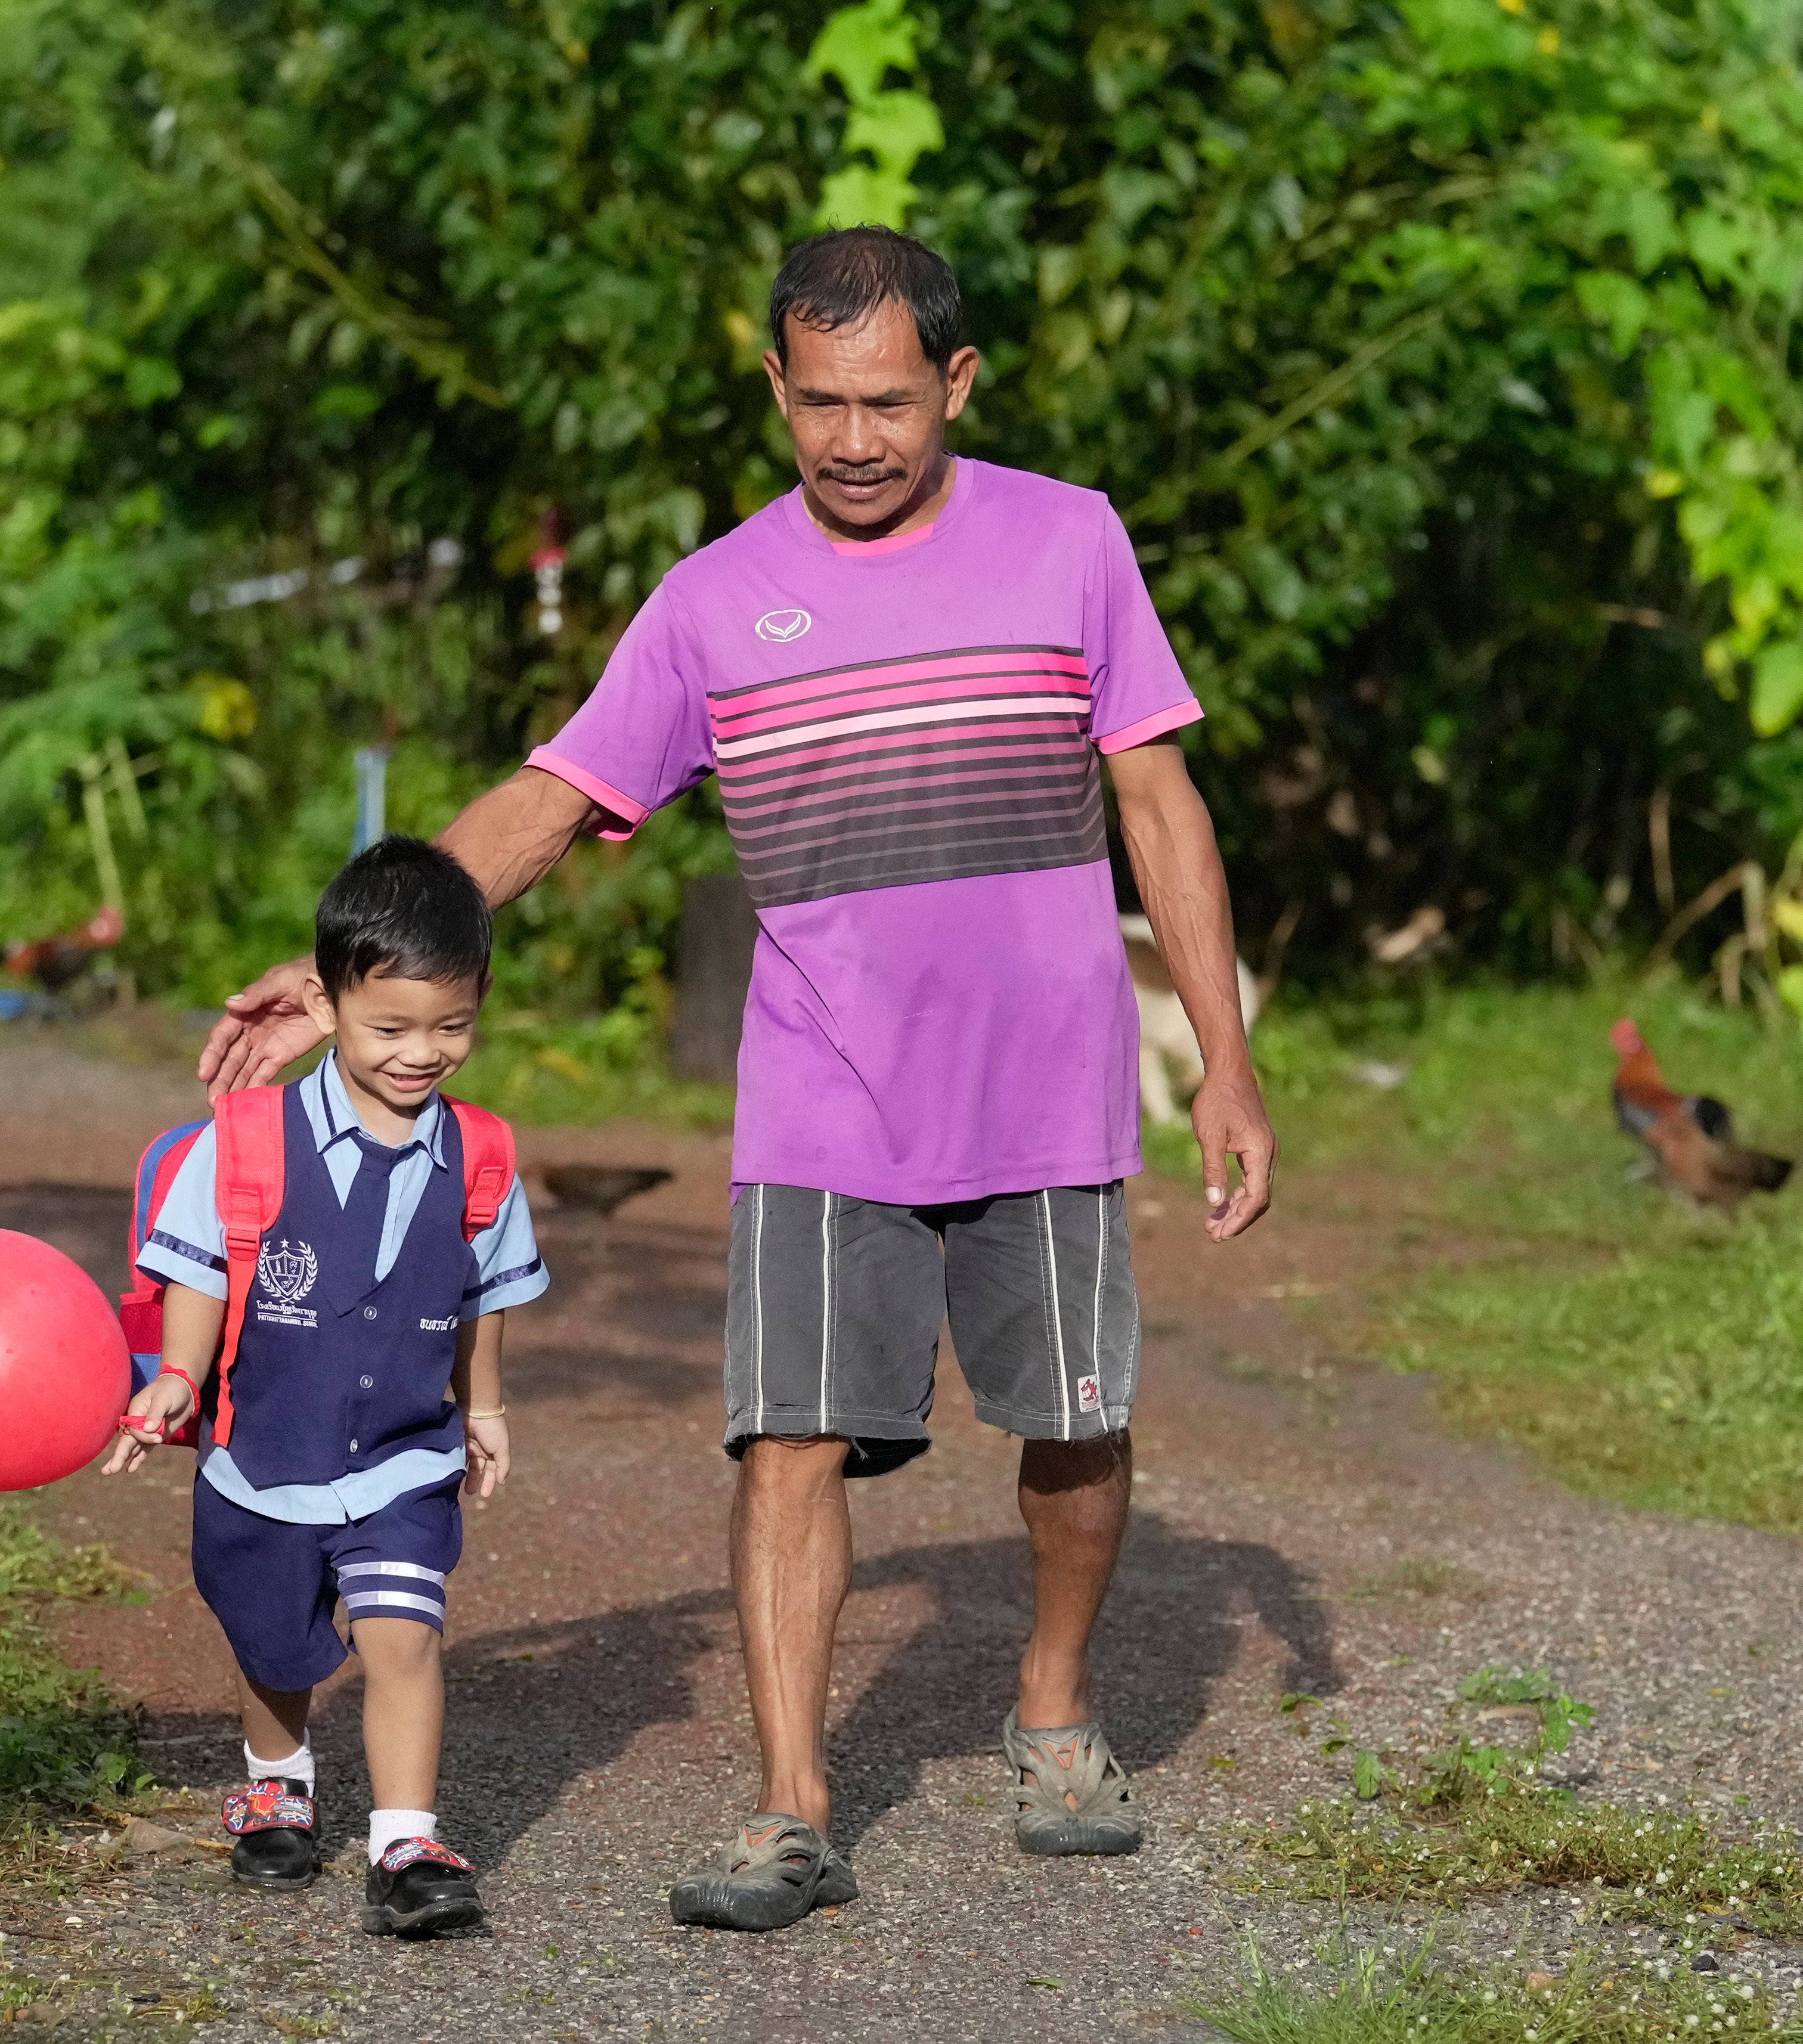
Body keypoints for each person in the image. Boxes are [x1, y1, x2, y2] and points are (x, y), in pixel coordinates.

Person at [199, 227, 1272, 1933]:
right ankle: (793, 1803)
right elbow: (544, 808)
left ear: (959, 383)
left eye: (892, 403)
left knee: (1073, 1428)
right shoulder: (711, 603)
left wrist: (1226, 1061)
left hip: (1049, 1086)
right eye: (821, 401)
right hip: (823, 1098)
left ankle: (1056, 1706)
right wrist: (338, 964)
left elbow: (1161, 805)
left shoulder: (1073, 543)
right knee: (789, 1440)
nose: (855, 439)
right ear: (776, 384)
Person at [110, 836, 549, 1937]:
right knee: (273, 1640)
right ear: (322, 998)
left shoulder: (483, 1156)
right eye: (390, 1027)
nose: (422, 1053)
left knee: (402, 1633)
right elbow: (205, 1267)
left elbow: (484, 1290)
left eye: (450, 1026)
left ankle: (405, 1837)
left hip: (406, 1449)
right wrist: (174, 1375)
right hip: (266, 1448)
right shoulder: (249, 1140)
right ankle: (278, 1780)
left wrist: (483, 1403)